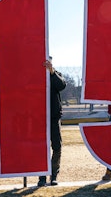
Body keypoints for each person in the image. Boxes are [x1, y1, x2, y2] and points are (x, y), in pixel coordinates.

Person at [38, 56, 67, 187]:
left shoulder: (56, 74)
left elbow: (61, 86)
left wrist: (51, 72)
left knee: (57, 146)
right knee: (41, 148)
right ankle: (42, 177)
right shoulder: (35, 76)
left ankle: (54, 176)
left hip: (54, 117)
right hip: (39, 117)